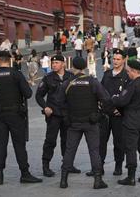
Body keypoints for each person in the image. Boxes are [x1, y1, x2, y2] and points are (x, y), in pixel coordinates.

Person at [0, 51, 42, 185]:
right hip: (15, 114)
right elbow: (28, 93)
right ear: (10, 60)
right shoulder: (15, 73)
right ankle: (25, 174)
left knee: (1, 144)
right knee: (19, 144)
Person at [60, 57, 109, 189]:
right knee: (94, 150)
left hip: (73, 122)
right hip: (90, 122)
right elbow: (105, 98)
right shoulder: (92, 82)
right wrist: (99, 114)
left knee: (70, 150)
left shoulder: (67, 83)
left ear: (73, 67)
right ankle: (98, 180)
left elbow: (60, 102)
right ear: (85, 66)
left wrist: (66, 117)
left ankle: (63, 180)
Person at [36, 55, 81, 177]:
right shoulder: (48, 78)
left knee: (67, 141)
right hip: (54, 114)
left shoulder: (71, 77)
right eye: (53, 63)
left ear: (63, 64)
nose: (54, 65)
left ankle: (67, 165)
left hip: (67, 114)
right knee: (50, 141)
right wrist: (45, 107)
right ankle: (46, 166)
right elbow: (39, 96)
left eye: (56, 62)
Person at [87, 49, 129, 177]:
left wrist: (119, 110)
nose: (115, 61)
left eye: (118, 59)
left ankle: (118, 166)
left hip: (118, 115)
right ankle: (99, 167)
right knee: (100, 141)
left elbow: (127, 96)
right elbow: (101, 92)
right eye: (114, 59)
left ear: (123, 60)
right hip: (105, 114)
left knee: (119, 142)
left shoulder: (127, 76)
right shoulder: (107, 74)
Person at [111, 60, 140, 186]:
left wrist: (114, 98)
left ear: (134, 71)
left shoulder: (133, 85)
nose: (128, 74)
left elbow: (122, 101)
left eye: (128, 71)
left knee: (130, 149)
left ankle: (131, 177)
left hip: (131, 121)